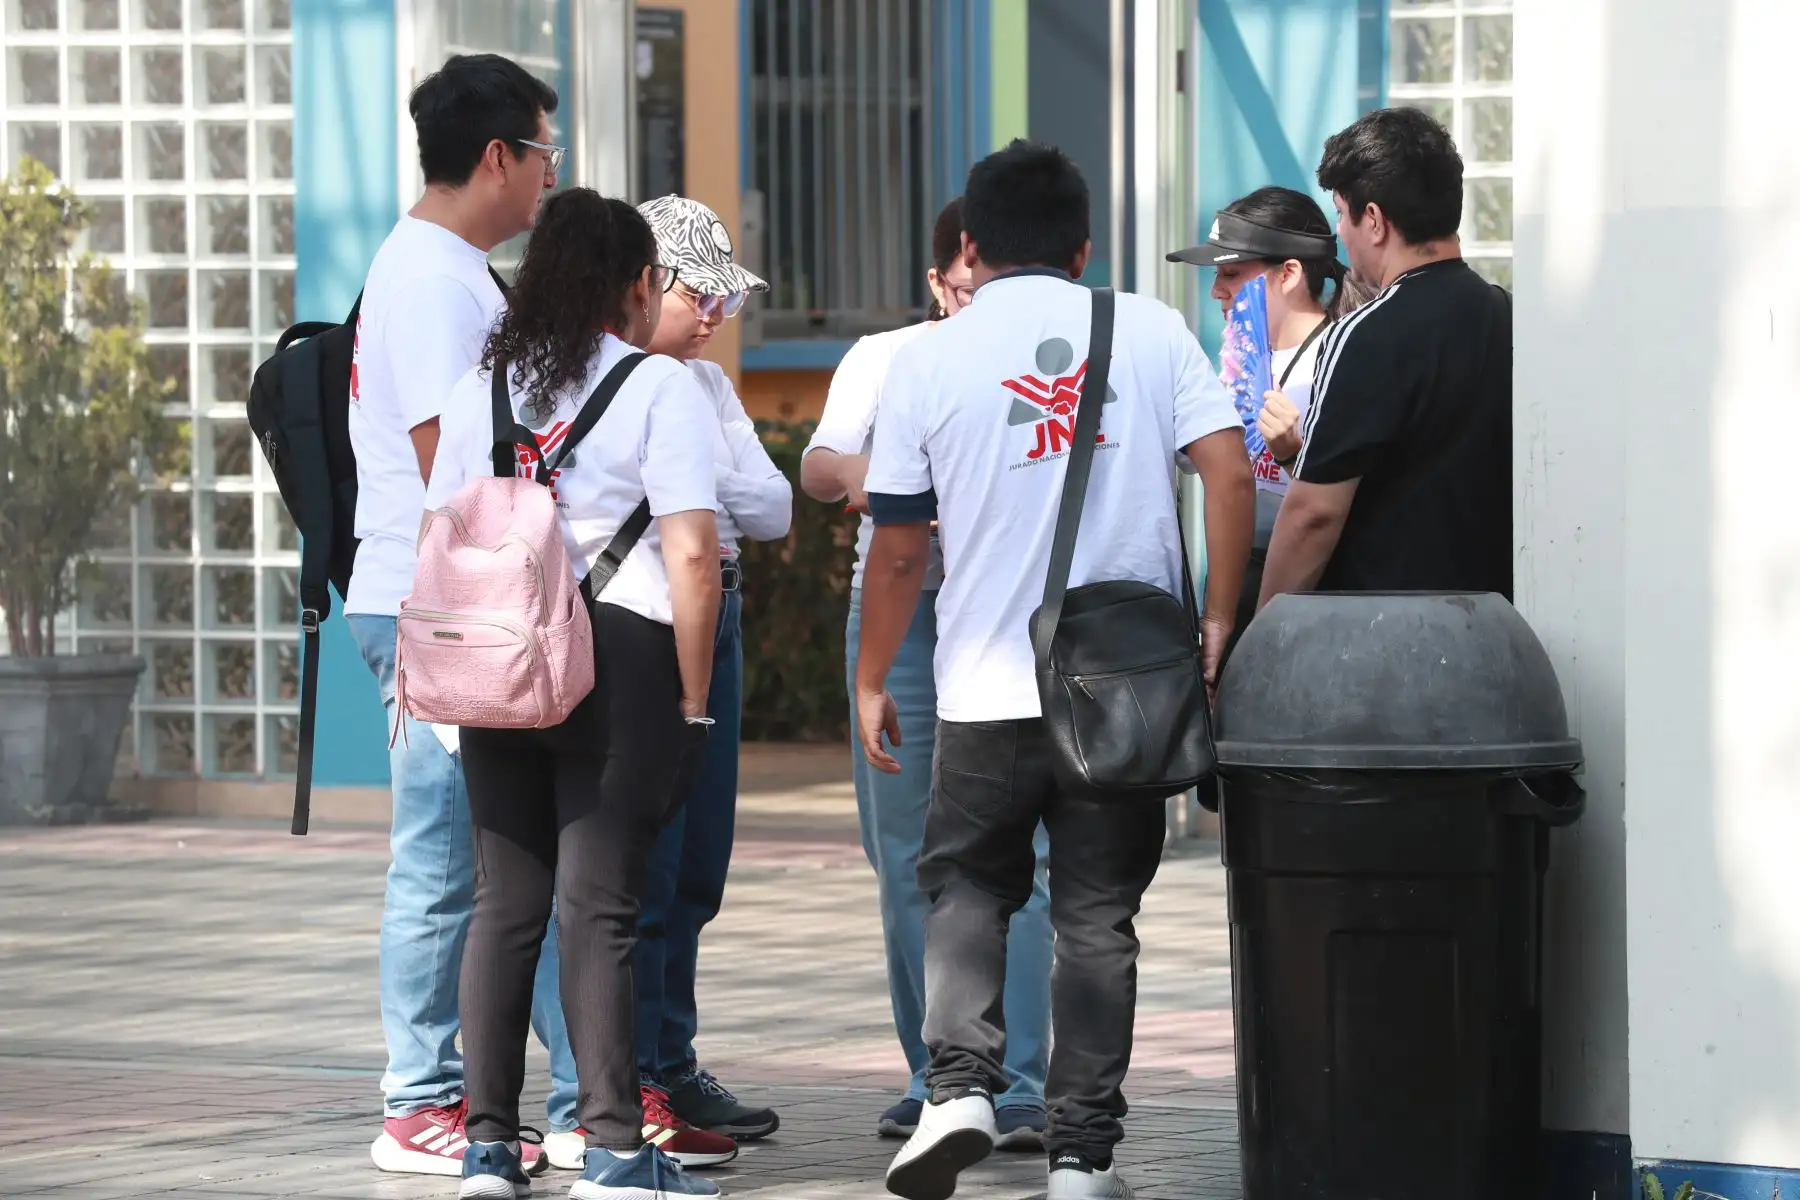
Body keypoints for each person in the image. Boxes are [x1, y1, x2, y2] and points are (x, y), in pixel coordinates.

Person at [854, 141, 1255, 1200]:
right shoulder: (1151, 332)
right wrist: (1214, 618)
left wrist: (871, 675)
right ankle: (1082, 1157)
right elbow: (1228, 469)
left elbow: (898, 546)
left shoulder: (928, 360)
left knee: (967, 886)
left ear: (970, 249)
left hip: (986, 681)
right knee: (1095, 916)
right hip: (1122, 687)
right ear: (1083, 248)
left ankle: (960, 1088)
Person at [424, 189, 725, 1200]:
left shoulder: (484, 388)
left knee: (504, 904)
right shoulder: (660, 389)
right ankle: (608, 1151)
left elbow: (446, 534)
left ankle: (488, 1152)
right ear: (636, 286)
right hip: (622, 660)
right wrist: (693, 704)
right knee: (600, 908)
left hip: (497, 656)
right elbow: (692, 553)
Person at [343, 53, 566, 1179]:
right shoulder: (433, 277)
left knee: (472, 854)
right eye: (542, 154)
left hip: (441, 597)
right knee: (441, 859)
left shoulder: (443, 266)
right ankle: (419, 1098)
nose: (547, 180)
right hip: (438, 604)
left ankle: (471, 1090)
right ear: (496, 157)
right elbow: (452, 463)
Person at [536, 194, 789, 1171]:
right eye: (700, 291)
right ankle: (618, 1084)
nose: (717, 312)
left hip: (716, 612)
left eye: (728, 295)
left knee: (697, 864)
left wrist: (704, 477)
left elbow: (769, 511)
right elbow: (706, 520)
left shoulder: (708, 391)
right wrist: (703, 481)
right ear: (645, 285)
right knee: (630, 864)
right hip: (642, 630)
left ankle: (668, 1061)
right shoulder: (631, 387)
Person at [800, 197, 1055, 1149]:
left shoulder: (1044, 353)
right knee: (903, 852)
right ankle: (936, 1075)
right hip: (903, 615)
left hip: (1006, 608)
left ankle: (1020, 1081)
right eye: (959, 284)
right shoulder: (888, 356)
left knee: (1015, 855)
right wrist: (889, 482)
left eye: (982, 280)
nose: (971, 298)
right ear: (938, 278)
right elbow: (819, 468)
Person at [1259, 107, 1513, 606]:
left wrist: (1261, 641)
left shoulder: (1363, 334)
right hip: (1498, 630)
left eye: (1340, 212)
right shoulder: (1507, 316)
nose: (1342, 234)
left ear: (1373, 220)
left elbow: (1314, 514)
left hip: (1391, 642)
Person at [1165, 186, 1369, 645]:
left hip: (1313, 586)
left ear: (1289, 273)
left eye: (1232, 273)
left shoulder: (1340, 358)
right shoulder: (1232, 365)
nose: (1217, 290)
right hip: (1234, 574)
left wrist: (1294, 457)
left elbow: (1359, 504)